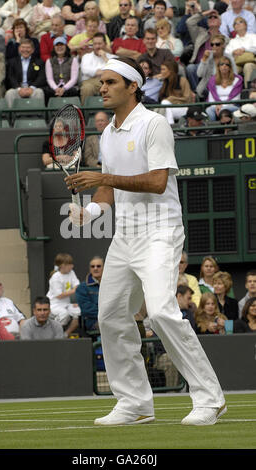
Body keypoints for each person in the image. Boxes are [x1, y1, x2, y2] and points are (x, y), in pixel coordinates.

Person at [65, 56, 226, 426]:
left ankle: (209, 398)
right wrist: (89, 213)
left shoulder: (154, 125)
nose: (101, 88)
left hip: (160, 231)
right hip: (125, 236)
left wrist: (99, 179)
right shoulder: (107, 133)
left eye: (109, 82)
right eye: (100, 82)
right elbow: (107, 186)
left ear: (132, 86)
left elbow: (155, 183)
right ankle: (135, 403)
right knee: (110, 316)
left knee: (161, 312)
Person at [186, 9, 223, 92]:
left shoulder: (225, 39)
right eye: (210, 17)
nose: (212, 18)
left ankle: (206, 93)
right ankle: (197, 94)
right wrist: (204, 13)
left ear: (220, 23)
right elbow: (189, 22)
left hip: (215, 65)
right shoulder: (200, 33)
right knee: (190, 68)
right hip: (200, 64)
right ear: (207, 21)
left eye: (215, 17)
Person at [5, 38, 46, 108]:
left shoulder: (39, 62)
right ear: (19, 49)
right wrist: (19, 89)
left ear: (33, 50)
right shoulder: (12, 62)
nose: (25, 50)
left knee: (39, 92)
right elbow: (10, 77)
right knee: (10, 93)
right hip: (18, 89)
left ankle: (39, 117)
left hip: (32, 89)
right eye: (23, 47)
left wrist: (31, 88)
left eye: (28, 48)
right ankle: (11, 118)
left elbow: (41, 77)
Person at [46, 253, 81, 336]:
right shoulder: (55, 277)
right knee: (64, 314)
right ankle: (54, 334)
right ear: (62, 266)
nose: (72, 266)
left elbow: (77, 285)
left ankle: (65, 334)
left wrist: (77, 301)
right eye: (69, 264)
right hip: (53, 304)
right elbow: (59, 295)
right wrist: (74, 290)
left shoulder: (71, 272)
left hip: (66, 303)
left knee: (78, 311)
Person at [196, 33, 237, 99]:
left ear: (223, 45)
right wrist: (204, 59)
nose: (214, 47)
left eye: (217, 44)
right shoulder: (208, 56)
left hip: (225, 85)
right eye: (212, 44)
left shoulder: (229, 57)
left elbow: (235, 74)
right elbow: (199, 74)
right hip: (207, 87)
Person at [79, 32, 116, 105]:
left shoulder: (112, 58)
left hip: (108, 82)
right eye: (95, 44)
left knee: (115, 88)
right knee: (87, 88)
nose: (97, 46)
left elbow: (114, 70)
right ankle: (85, 113)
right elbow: (85, 70)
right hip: (89, 82)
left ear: (105, 44)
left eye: (99, 44)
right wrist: (104, 71)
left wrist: (105, 58)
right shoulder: (86, 56)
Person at [206, 56, 243, 121]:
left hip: (232, 105)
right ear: (218, 67)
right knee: (209, 110)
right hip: (216, 105)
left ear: (230, 68)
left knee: (223, 110)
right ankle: (213, 129)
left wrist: (222, 106)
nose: (224, 66)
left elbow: (236, 99)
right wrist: (217, 105)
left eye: (227, 64)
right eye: (222, 64)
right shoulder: (212, 80)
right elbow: (211, 98)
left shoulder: (237, 80)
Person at [44, 36, 79, 105]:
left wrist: (64, 88)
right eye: (57, 45)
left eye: (62, 45)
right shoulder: (49, 61)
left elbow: (74, 79)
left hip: (69, 87)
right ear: (54, 48)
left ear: (66, 47)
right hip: (55, 87)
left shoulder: (73, 60)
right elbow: (49, 79)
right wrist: (56, 88)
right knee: (46, 92)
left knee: (73, 91)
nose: (59, 47)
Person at [158, 59, 194, 125]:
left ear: (171, 70)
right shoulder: (165, 82)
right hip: (171, 109)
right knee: (165, 109)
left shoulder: (182, 80)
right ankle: (171, 125)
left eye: (163, 69)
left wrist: (172, 99)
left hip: (184, 108)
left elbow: (188, 99)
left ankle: (170, 127)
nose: (161, 72)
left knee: (165, 104)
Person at [224, 16, 256, 88]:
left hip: (252, 62)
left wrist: (244, 49)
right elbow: (226, 54)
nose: (238, 24)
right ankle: (231, 92)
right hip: (237, 62)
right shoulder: (232, 41)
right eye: (235, 23)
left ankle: (248, 91)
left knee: (248, 66)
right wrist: (233, 52)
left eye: (240, 22)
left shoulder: (253, 37)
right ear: (234, 28)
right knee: (232, 68)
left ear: (245, 25)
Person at [75, 256, 104, 332]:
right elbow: (87, 310)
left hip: (113, 319)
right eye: (92, 266)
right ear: (90, 269)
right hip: (93, 322)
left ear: (104, 268)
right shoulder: (82, 287)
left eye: (98, 266)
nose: (95, 268)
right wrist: (107, 314)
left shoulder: (112, 285)